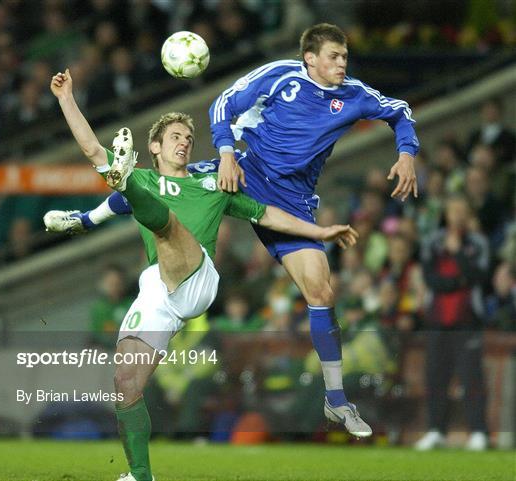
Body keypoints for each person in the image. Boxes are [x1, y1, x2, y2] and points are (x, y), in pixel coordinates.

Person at [48, 69, 360, 481]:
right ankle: (140, 475)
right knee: (125, 382)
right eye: (175, 137)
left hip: (198, 277)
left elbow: (267, 213)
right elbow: (91, 148)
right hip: (158, 290)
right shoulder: (145, 177)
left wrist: (318, 231)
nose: (184, 142)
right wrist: (66, 97)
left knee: (167, 225)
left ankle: (121, 184)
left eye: (188, 139)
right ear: (154, 146)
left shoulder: (213, 182)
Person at [209, 23, 419, 428]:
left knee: (322, 292)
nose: (342, 63)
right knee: (171, 187)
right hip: (246, 172)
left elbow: (400, 111)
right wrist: (225, 153)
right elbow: (223, 104)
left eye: (344, 57)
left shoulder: (354, 95)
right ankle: (90, 215)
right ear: (311, 58)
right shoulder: (279, 75)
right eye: (334, 57)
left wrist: (406, 153)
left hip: (294, 204)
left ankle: (336, 400)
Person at [416, 195, 489, 451]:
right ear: (446, 214)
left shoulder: (478, 242)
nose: (457, 215)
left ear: (468, 214)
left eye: (462, 210)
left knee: (472, 379)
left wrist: (458, 252)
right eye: (453, 210)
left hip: (467, 320)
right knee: (436, 378)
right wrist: (456, 283)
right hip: (437, 320)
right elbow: (430, 279)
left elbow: (478, 276)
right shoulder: (432, 243)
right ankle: (436, 430)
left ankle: (479, 432)